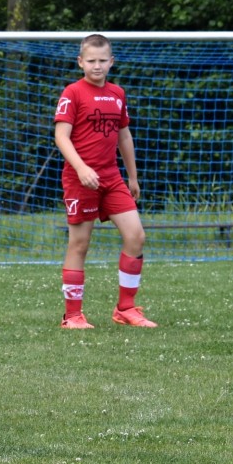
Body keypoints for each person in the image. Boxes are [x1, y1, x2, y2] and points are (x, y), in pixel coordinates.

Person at [54, 33, 157, 329]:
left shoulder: (117, 94)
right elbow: (61, 136)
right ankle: (72, 316)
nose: (97, 66)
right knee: (80, 243)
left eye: (102, 60)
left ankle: (126, 309)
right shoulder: (73, 92)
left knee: (136, 236)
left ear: (111, 62)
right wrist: (81, 168)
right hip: (80, 179)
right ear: (80, 62)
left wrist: (132, 176)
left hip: (111, 178)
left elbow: (124, 136)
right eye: (91, 61)